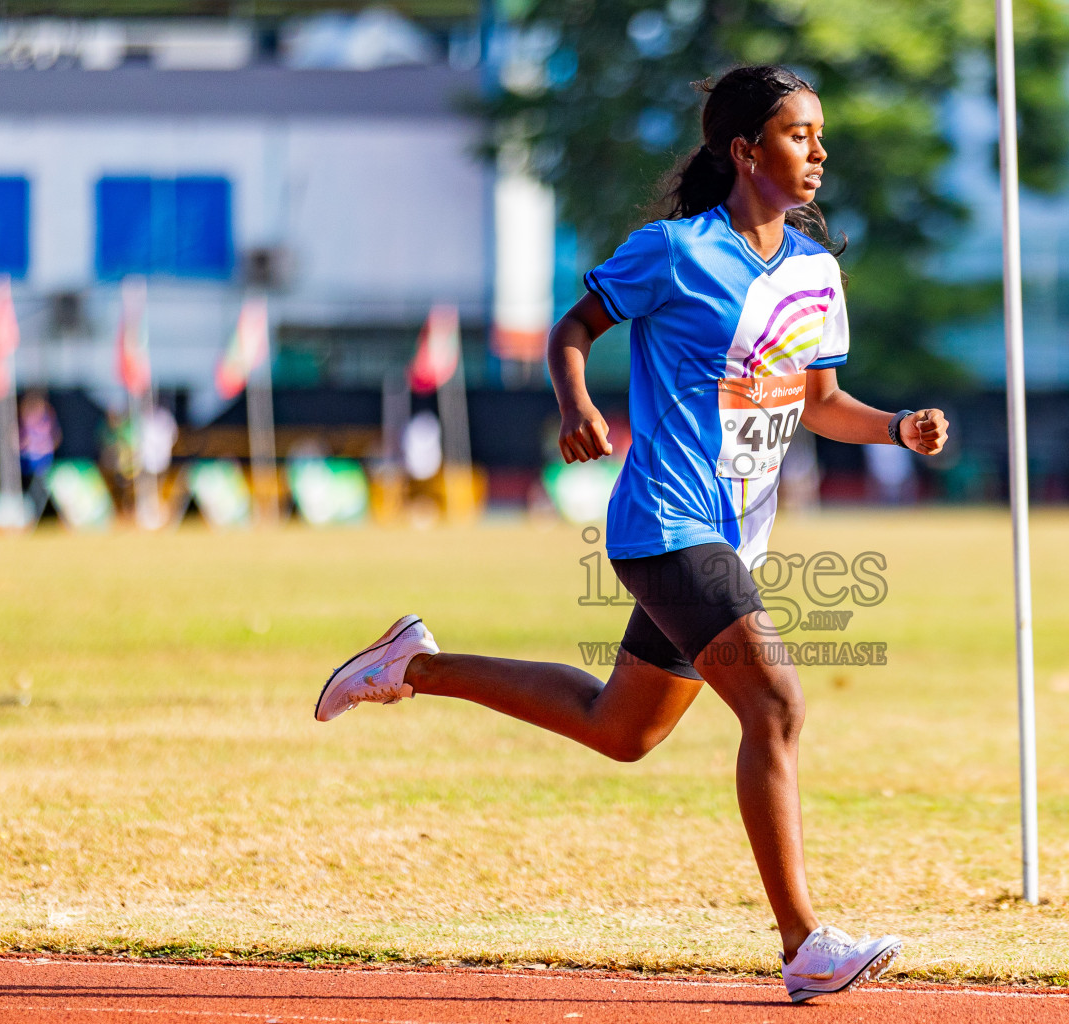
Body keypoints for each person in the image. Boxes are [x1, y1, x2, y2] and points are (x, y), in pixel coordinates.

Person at [314, 65, 949, 1003]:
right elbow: (570, 328)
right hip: (665, 523)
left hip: (735, 539)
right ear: (746, 151)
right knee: (775, 706)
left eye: (819, 135)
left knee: (621, 730)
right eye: (799, 134)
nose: (820, 152)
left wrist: (895, 426)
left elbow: (821, 404)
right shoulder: (674, 251)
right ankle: (805, 942)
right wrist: (576, 404)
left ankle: (415, 666)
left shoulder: (818, 271)